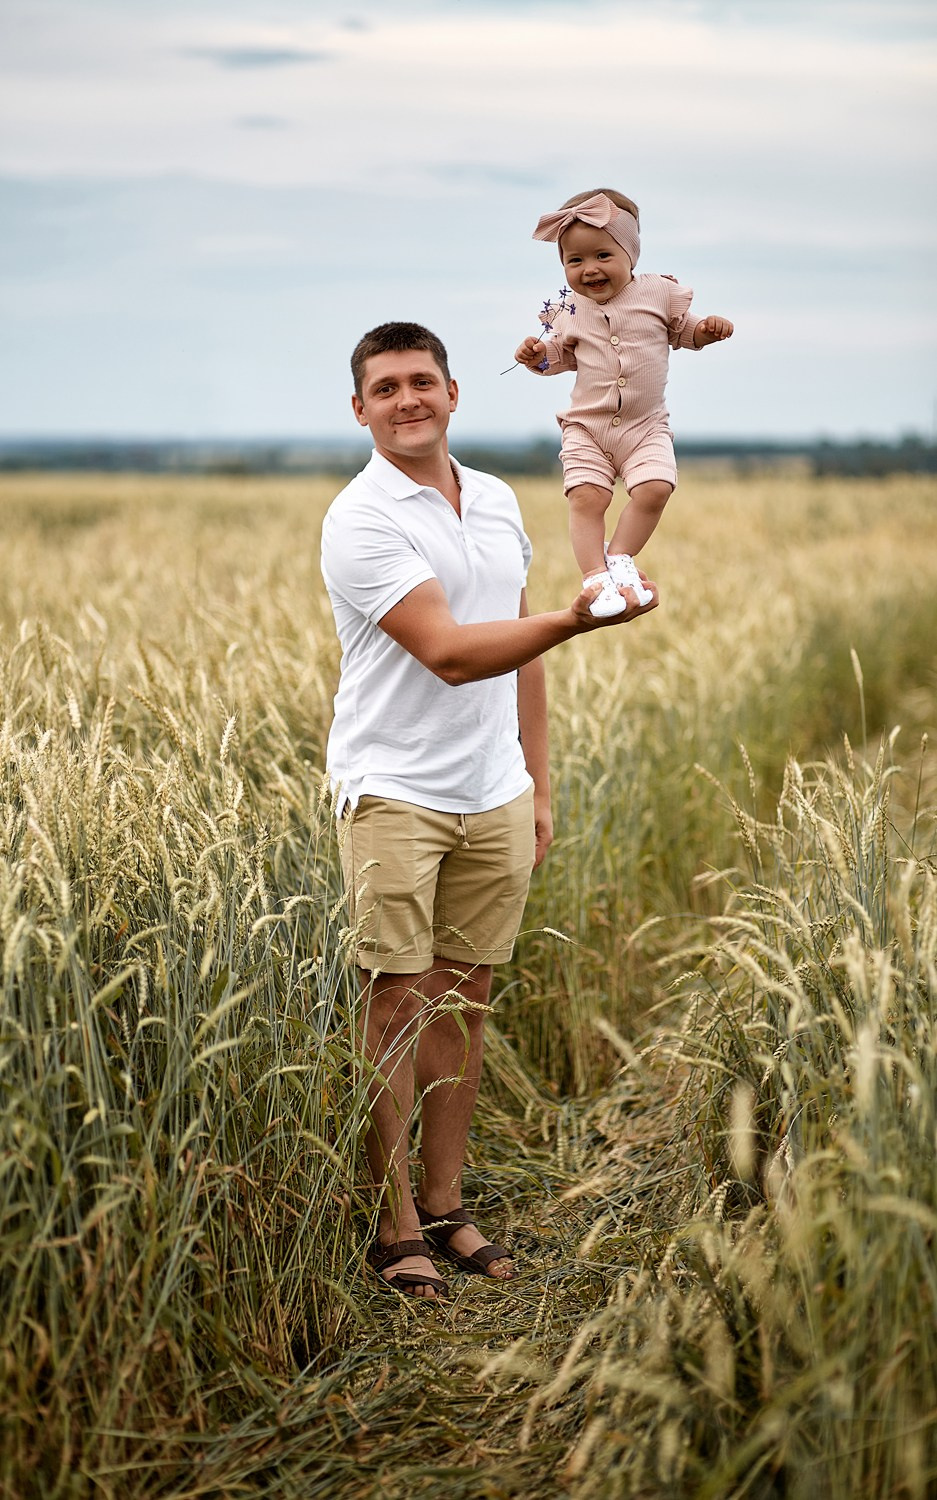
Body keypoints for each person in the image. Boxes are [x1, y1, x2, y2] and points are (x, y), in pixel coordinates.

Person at [320, 320, 657, 1300]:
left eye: (421, 381)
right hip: (396, 792)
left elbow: (519, 650)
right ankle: (392, 1233)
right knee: (394, 1002)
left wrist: (537, 781)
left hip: (492, 791)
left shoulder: (500, 500)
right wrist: (580, 616)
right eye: (385, 388)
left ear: (454, 393)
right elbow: (454, 651)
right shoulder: (361, 518)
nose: (407, 399)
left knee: (465, 1001)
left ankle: (445, 1204)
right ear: (361, 410)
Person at [514, 188, 733, 618]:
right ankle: (595, 576)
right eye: (574, 261)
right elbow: (561, 356)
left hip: (645, 425)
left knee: (656, 487)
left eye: (602, 256)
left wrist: (707, 330)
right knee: (586, 497)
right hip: (588, 426)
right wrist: (536, 359)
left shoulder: (658, 294)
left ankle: (619, 559)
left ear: (630, 254)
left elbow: (685, 332)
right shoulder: (568, 310)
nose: (589, 269)